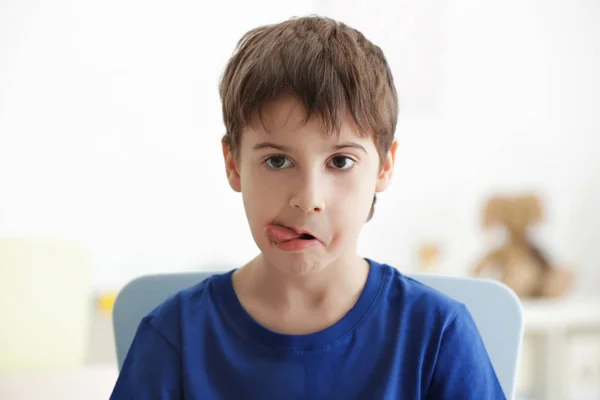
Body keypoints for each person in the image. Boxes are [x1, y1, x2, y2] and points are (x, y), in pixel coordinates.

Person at [110, 15, 505, 399]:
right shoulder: (175, 335)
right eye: (278, 161)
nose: (309, 198)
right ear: (233, 165)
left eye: (340, 162)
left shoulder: (438, 334)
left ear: (384, 167)